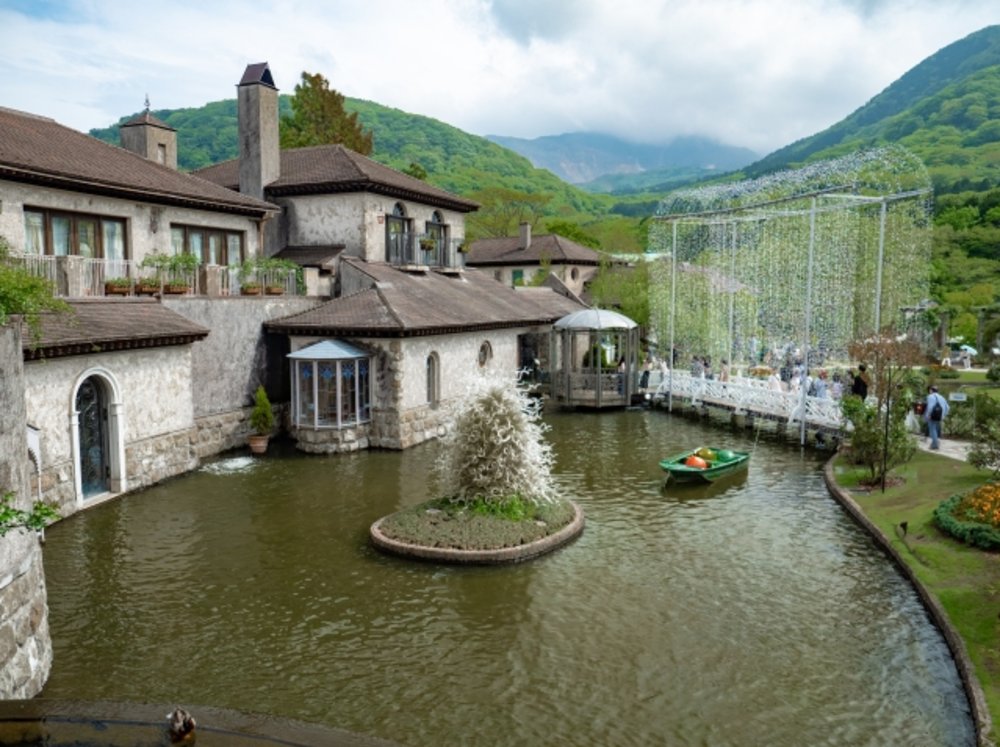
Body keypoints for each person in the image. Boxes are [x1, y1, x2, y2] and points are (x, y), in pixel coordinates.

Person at [924, 385, 949, 450]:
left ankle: (935, 445)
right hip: (940, 416)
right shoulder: (942, 397)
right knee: (936, 429)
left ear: (931, 390)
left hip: (933, 415)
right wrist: (944, 414)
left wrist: (928, 415)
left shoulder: (930, 396)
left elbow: (930, 407)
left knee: (932, 430)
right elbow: (948, 407)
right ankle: (934, 443)